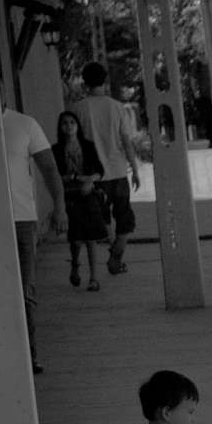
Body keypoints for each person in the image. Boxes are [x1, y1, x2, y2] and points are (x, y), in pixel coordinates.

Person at [0, 89, 67, 374]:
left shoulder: (24, 124)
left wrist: (60, 207)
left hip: (21, 219)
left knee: (25, 288)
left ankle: (29, 353)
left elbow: (49, 169)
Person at [72, 62, 141, 275]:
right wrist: (135, 169)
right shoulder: (117, 107)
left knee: (101, 220)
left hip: (94, 176)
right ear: (105, 80)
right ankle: (116, 257)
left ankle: (113, 253)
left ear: (84, 82)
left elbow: (74, 146)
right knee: (125, 219)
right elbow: (126, 141)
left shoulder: (78, 109)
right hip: (118, 172)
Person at [53, 110, 108, 291]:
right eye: (65, 123)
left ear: (77, 126)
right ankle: (75, 264)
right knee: (76, 239)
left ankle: (94, 278)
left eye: (72, 123)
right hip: (70, 196)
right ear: (60, 128)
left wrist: (90, 179)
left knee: (91, 237)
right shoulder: (56, 150)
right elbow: (53, 177)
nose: (68, 126)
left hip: (87, 192)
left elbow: (100, 171)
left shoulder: (87, 146)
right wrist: (70, 178)